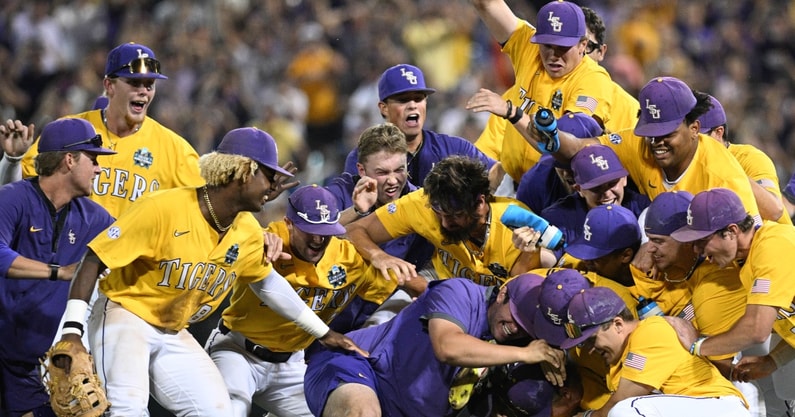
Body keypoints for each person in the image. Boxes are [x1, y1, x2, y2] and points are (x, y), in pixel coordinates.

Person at [49, 127, 361, 416]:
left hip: (172, 329)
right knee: (128, 409)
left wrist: (323, 333)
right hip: (124, 314)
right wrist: (73, 331)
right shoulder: (164, 208)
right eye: (267, 176)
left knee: (216, 412)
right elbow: (94, 259)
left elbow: (268, 285)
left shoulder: (247, 230)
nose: (272, 187)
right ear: (243, 172)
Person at [1, 42, 298, 218]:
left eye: (149, 85)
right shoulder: (68, 131)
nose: (144, 92)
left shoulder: (174, 149)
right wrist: (12, 161)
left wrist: (251, 199)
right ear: (109, 85)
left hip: (130, 281)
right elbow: (19, 193)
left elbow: (210, 205)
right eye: (134, 83)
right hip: (67, 263)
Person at [206, 184, 394, 417]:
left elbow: (395, 290)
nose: (317, 239)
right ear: (289, 224)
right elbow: (231, 235)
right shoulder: (269, 242)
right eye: (308, 229)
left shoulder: (350, 258)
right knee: (228, 412)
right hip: (238, 351)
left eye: (324, 231)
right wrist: (257, 239)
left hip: (292, 363)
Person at [303, 272, 566, 417]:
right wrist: (526, 353)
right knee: (363, 414)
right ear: (503, 294)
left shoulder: (516, 343)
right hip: (360, 370)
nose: (516, 327)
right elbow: (447, 347)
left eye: (526, 327)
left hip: (401, 410)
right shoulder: (460, 292)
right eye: (515, 316)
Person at [521, 76, 761, 222]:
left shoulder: (721, 175)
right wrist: (555, 136)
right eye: (651, 133)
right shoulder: (638, 145)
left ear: (694, 128)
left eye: (667, 133)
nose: (657, 143)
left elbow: (746, 242)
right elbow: (583, 149)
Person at [0, 119, 115, 417]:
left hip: (38, 362)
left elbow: (132, 250)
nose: (99, 169)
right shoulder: (14, 198)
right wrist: (59, 271)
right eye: (93, 159)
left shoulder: (96, 218)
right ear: (69, 160)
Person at [466, 0, 639, 183]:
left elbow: (567, 150)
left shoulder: (593, 80)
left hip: (560, 189)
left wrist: (513, 113)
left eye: (563, 47)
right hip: (515, 183)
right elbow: (485, 4)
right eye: (547, 45)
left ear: (583, 45)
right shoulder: (528, 47)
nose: (554, 55)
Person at [345, 155, 555, 296]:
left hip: (498, 301)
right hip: (442, 290)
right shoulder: (423, 203)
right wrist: (379, 256)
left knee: (546, 260)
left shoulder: (515, 226)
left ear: (480, 203)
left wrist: (529, 254)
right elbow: (355, 230)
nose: (445, 222)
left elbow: (517, 295)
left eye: (455, 215)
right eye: (439, 213)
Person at [638, 190, 766, 416]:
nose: (650, 249)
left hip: (734, 389)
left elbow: (719, 370)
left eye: (658, 241)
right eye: (649, 240)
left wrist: (692, 345)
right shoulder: (659, 272)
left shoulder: (715, 283)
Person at [669, 188, 795, 404]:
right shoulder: (747, 261)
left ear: (732, 231)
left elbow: (756, 330)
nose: (698, 251)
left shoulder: (773, 246)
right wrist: (773, 360)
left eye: (702, 241)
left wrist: (697, 347)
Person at [561, 286, 750, 417]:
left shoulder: (650, 331)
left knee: (624, 411)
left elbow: (620, 402)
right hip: (693, 409)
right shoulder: (618, 366)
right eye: (584, 344)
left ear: (618, 324)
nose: (591, 349)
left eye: (592, 339)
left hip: (716, 407)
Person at [342, 64, 494, 186]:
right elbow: (352, 212)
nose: (412, 105)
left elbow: (498, 175)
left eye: (418, 98)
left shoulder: (455, 148)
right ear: (384, 108)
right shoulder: (362, 158)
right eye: (403, 100)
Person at [541, 144, 649, 260]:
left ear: (624, 179)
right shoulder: (559, 216)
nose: (607, 193)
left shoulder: (643, 209)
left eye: (612, 183)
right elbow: (546, 259)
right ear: (579, 189)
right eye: (596, 188)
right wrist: (532, 254)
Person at [698, 94, 790, 225]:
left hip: (775, 242)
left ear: (718, 133)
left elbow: (775, 210)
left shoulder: (750, 158)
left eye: (698, 138)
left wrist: (726, 167)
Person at [515, 112, 604, 214]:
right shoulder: (534, 183)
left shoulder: (618, 180)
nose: (566, 173)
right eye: (559, 164)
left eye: (572, 163)